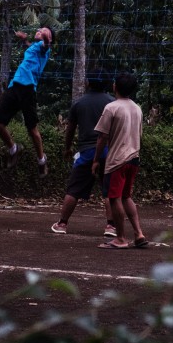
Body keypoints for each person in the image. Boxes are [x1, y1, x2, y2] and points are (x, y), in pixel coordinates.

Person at [50, 68, 116, 236]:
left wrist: (67, 148)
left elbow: (70, 130)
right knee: (108, 190)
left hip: (86, 151)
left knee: (73, 190)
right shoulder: (112, 102)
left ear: (87, 82)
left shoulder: (79, 103)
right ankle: (111, 226)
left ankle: (62, 224)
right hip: (108, 152)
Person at [91, 72, 149, 249]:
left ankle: (121, 238)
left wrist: (95, 160)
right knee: (126, 196)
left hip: (117, 160)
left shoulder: (112, 108)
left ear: (115, 86)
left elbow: (102, 137)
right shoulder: (137, 108)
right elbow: (139, 134)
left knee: (114, 197)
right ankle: (139, 233)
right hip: (134, 157)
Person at [0, 27, 54, 177]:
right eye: (40, 29)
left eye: (44, 31)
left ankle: (41, 160)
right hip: (14, 87)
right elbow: (31, 47)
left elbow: (45, 44)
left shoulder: (45, 49)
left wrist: (46, 37)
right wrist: (24, 40)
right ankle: (14, 149)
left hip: (28, 90)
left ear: (49, 39)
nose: (40, 30)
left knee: (32, 130)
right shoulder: (34, 46)